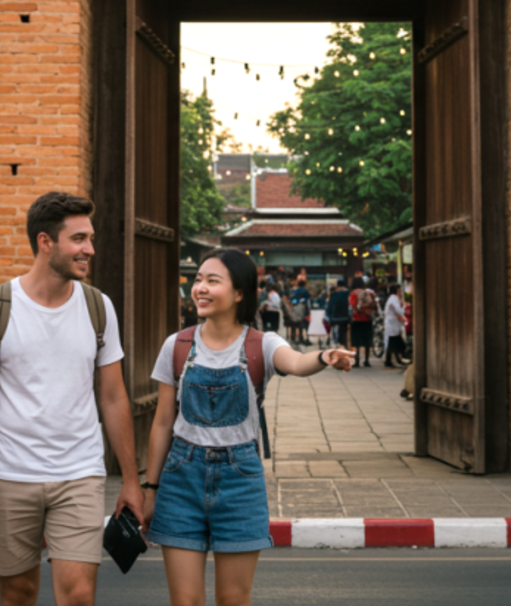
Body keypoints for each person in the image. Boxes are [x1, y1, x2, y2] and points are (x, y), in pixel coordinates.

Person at [0, 193, 142, 606]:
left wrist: (129, 480)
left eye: (90, 238)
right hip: (8, 474)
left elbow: (113, 397)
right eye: (79, 239)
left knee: (78, 595)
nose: (89, 249)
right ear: (45, 242)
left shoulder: (98, 307)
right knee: (18, 594)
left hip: (79, 473)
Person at [142, 249, 353, 606]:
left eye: (212, 280)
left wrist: (324, 357)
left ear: (239, 293)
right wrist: (150, 488)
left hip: (240, 482)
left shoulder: (262, 344)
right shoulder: (177, 345)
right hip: (181, 479)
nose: (200, 288)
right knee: (185, 601)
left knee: (233, 600)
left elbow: (297, 363)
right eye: (198, 280)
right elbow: (163, 422)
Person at [349, 276, 378, 367]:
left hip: (357, 319)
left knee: (356, 341)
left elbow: (353, 306)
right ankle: (366, 360)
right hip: (367, 318)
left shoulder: (353, 294)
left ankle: (357, 360)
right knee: (367, 340)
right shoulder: (367, 292)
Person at [382, 285, 408, 367]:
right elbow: (399, 311)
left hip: (393, 324)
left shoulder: (392, 298)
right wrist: (403, 304)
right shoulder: (394, 299)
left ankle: (390, 360)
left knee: (391, 343)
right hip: (392, 324)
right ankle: (399, 358)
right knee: (395, 342)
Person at [325, 277, 351, 349]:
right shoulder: (348, 294)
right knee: (344, 331)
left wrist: (328, 315)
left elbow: (330, 305)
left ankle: (336, 343)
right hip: (345, 316)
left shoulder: (333, 294)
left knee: (334, 330)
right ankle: (344, 344)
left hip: (335, 317)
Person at [287, 280, 310, 346]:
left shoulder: (294, 291)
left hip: (294, 309)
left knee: (293, 324)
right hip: (302, 309)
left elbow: (291, 299)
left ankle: (293, 338)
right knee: (301, 324)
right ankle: (301, 338)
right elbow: (308, 300)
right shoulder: (305, 291)